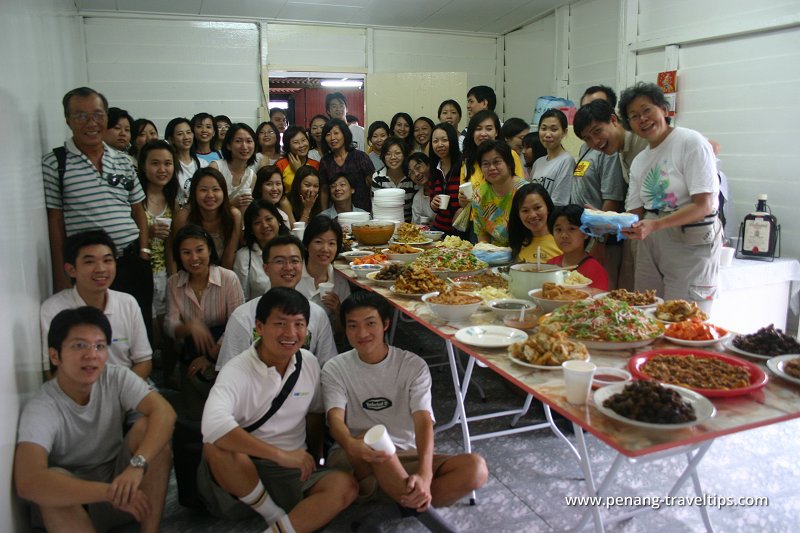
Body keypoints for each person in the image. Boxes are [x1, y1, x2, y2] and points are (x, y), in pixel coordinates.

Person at [322, 291, 488, 529]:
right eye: (353, 326)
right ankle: (434, 523)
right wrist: (350, 444)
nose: (362, 334)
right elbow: (335, 419)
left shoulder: (413, 366)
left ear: (386, 324)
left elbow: (423, 420)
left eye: (370, 324)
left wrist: (425, 473)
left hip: (405, 454)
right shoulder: (335, 368)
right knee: (374, 443)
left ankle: (389, 508)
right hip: (357, 456)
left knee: (475, 469)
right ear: (345, 329)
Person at [198, 288, 358, 532]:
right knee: (216, 445)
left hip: (291, 470)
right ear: (259, 328)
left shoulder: (309, 362)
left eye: (299, 324)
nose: (290, 333)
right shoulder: (237, 370)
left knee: (345, 486)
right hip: (244, 466)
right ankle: (273, 514)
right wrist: (279, 455)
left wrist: (315, 458)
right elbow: (211, 426)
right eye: (280, 323)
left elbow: (315, 413)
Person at [16, 307, 175, 533]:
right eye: (79, 345)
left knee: (149, 428)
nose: (92, 355)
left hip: (121, 491)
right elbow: (28, 481)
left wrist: (137, 466)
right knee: (53, 480)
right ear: (54, 355)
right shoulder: (43, 406)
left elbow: (165, 412)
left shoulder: (114, 376)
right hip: (74, 504)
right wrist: (107, 492)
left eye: (100, 346)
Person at [43, 87, 154, 341]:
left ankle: (140, 380)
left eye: (98, 115)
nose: (91, 123)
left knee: (138, 328)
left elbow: (138, 207)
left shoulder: (124, 161)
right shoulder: (56, 164)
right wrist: (61, 277)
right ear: (67, 120)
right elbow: (56, 221)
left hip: (130, 259)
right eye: (81, 116)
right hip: (89, 266)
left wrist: (144, 251)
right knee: (96, 331)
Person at [618, 82, 722, 311]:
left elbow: (703, 205)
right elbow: (634, 212)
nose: (642, 119)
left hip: (690, 239)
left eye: (647, 110)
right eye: (634, 116)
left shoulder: (691, 143)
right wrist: (604, 222)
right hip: (651, 242)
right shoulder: (639, 161)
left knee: (683, 315)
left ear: (664, 109)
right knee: (646, 310)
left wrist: (656, 224)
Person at [40, 230, 152, 381]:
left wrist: (119, 396)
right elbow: (51, 372)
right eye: (89, 262)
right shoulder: (53, 310)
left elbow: (143, 361)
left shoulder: (128, 303)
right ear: (71, 270)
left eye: (107, 260)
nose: (101, 269)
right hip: (78, 396)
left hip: (126, 392)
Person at [217, 234, 337, 369]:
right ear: (266, 268)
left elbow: (328, 367)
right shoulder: (243, 316)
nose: (288, 267)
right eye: (279, 261)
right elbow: (228, 370)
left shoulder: (317, 314)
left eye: (294, 261)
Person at [166, 224, 244, 419]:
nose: (194, 258)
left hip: (227, 357)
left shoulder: (228, 279)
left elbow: (238, 324)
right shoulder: (174, 283)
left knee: (225, 414)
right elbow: (169, 325)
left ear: (209, 249)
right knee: (195, 418)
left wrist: (211, 356)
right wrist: (189, 327)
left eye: (199, 250)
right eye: (186, 252)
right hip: (191, 357)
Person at [571, 98, 628, 289]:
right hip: (585, 234)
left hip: (604, 238)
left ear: (613, 119)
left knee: (602, 289)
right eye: (587, 137)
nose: (594, 141)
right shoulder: (586, 148)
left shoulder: (609, 152)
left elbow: (611, 198)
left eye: (597, 132)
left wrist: (600, 241)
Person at [137, 140, 180, 365]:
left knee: (166, 329)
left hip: (164, 272)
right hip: (139, 272)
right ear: (143, 165)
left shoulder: (175, 201)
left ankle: (169, 374)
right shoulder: (134, 200)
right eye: (155, 163)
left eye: (167, 163)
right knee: (145, 328)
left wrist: (173, 280)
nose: (162, 169)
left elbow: (173, 247)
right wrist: (147, 232)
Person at [172, 167, 242, 270]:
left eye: (216, 189)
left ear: (224, 192)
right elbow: (176, 254)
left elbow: (229, 259)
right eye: (203, 190)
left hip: (223, 275)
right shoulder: (184, 217)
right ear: (194, 193)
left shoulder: (234, 216)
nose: (210, 195)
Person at [298, 215, 351, 336]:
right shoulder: (293, 275)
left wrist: (339, 311)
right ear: (306, 245)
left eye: (331, 243)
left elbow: (344, 332)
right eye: (318, 242)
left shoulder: (340, 280)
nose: (325, 249)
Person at [470, 140, 526, 246]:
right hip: (496, 255)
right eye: (486, 164)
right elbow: (482, 235)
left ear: (509, 163)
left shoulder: (525, 192)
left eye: (497, 162)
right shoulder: (479, 195)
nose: (491, 168)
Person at [234, 200, 289, 301]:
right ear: (251, 229)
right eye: (257, 222)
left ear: (279, 221)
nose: (265, 225)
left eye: (269, 219)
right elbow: (241, 298)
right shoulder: (244, 257)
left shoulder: (293, 249)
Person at [546, 205, 609, 290]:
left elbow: (600, 301)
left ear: (586, 233)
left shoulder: (595, 270)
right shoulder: (550, 265)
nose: (564, 235)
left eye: (571, 229)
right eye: (559, 230)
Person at [319, 118, 375, 211]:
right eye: (328, 134)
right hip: (337, 214)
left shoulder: (360, 157)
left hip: (362, 212)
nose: (332, 138)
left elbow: (372, 186)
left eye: (336, 133)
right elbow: (324, 191)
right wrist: (324, 214)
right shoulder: (325, 161)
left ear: (345, 134)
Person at [530, 108, 575, 207]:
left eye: (554, 129)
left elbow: (560, 201)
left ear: (564, 132)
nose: (547, 134)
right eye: (543, 128)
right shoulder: (538, 162)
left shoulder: (567, 161)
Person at [210, 123, 257, 214]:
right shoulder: (216, 168)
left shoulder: (252, 176)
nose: (244, 146)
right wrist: (231, 204)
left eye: (249, 141)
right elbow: (207, 203)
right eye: (238, 141)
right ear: (228, 145)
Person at [508, 183, 561, 263]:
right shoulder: (518, 242)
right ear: (518, 215)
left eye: (537, 208)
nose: (532, 215)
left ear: (548, 208)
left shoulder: (563, 239)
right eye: (525, 210)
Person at [165, 117, 209, 207]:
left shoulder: (203, 164)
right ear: (171, 139)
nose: (186, 137)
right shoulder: (169, 165)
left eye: (189, 133)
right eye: (180, 134)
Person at [428, 122, 463, 233]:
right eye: (435, 141)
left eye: (444, 140)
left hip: (460, 231)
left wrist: (463, 208)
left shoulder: (464, 166)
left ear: (452, 141)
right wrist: (433, 204)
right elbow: (432, 201)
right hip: (438, 230)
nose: (440, 144)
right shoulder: (434, 170)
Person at [372, 137, 416, 222]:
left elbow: (416, 207)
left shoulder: (411, 177)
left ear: (404, 155)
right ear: (383, 156)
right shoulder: (378, 178)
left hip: (407, 228)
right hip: (384, 227)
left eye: (397, 153)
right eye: (388, 154)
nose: (393, 157)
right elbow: (376, 208)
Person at [276, 125, 320, 191]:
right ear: (288, 146)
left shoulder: (315, 165)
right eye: (296, 142)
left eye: (303, 140)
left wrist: (299, 170)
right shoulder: (281, 165)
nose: (302, 145)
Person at [407, 152, 436, 224]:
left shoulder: (442, 189)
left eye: (418, 167)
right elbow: (415, 227)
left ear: (428, 165)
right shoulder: (417, 198)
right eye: (412, 173)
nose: (416, 174)